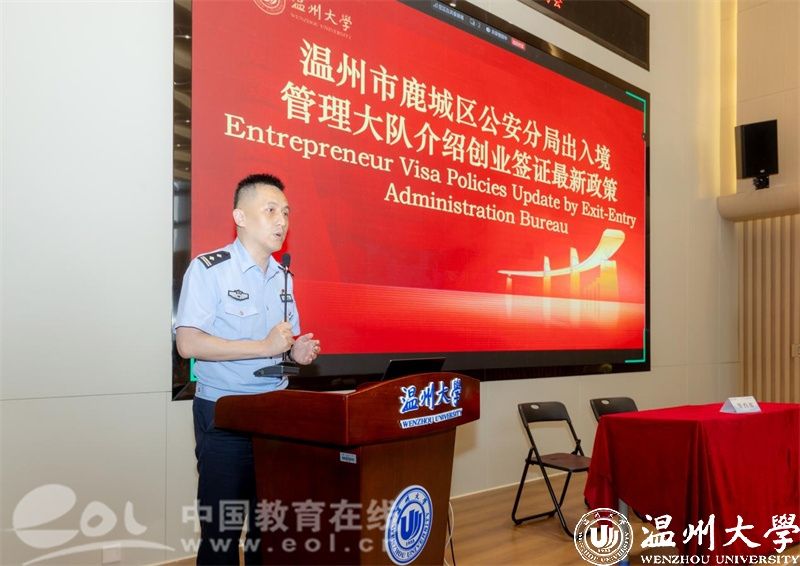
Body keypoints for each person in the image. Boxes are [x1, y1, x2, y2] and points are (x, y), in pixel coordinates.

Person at [174, 173, 321, 565]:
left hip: (274, 415)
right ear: (239, 216)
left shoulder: (283, 277)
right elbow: (188, 344)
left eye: (286, 212)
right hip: (225, 414)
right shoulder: (209, 270)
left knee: (267, 531)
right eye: (270, 210)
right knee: (221, 535)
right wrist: (264, 347)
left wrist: (296, 352)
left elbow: (280, 345)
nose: (281, 221)